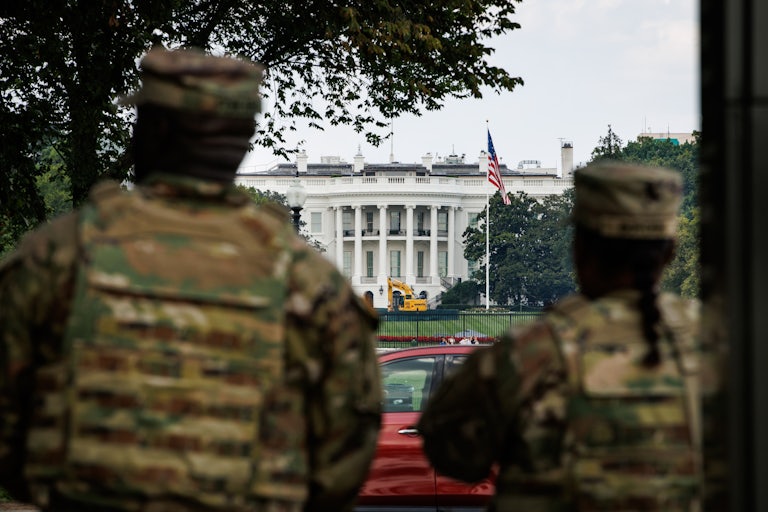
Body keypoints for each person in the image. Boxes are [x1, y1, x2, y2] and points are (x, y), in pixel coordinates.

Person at [0, 47, 382, 512]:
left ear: (154, 129)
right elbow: (344, 459)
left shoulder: (59, 256)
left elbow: (9, 429)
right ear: (244, 138)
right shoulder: (310, 281)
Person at [418, 162, 704, 511]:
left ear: (580, 248)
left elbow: (451, 453)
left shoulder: (533, 351)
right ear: (670, 251)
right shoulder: (718, 342)